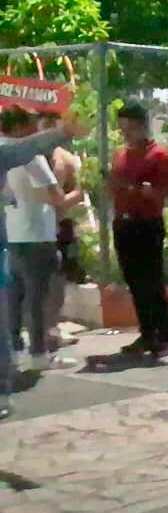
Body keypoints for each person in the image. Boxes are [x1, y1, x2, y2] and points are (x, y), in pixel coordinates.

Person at [2, 107, 82, 372]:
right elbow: (56, 198)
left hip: (12, 234)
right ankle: (38, 353)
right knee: (38, 299)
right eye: (32, 126)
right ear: (19, 128)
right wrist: (78, 193)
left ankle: (14, 351)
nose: (36, 131)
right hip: (37, 235)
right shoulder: (31, 158)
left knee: (14, 298)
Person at [108, 103, 168, 358]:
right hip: (123, 224)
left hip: (147, 224)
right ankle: (147, 334)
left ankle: (164, 337)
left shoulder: (160, 155)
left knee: (152, 280)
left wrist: (152, 192)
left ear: (141, 126)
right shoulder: (120, 155)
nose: (125, 133)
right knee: (134, 281)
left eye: (129, 128)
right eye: (122, 128)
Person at [36, 112, 86, 347]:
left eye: (52, 124)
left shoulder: (65, 158)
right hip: (30, 227)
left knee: (58, 280)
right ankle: (34, 330)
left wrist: (61, 203)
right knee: (31, 281)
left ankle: (52, 327)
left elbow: (79, 191)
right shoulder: (25, 157)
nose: (47, 128)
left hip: (59, 225)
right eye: (44, 123)